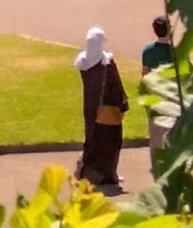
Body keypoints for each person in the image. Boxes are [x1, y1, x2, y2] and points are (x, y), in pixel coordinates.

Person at [73, 27, 129, 191]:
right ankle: (109, 175)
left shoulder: (83, 61)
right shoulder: (107, 62)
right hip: (107, 108)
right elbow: (116, 86)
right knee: (111, 142)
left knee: (92, 140)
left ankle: (87, 172)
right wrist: (123, 105)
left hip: (90, 108)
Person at [139, 17, 175, 153]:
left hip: (154, 96)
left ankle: (156, 163)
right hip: (171, 96)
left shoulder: (148, 50)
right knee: (172, 133)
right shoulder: (175, 52)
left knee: (155, 135)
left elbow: (145, 74)